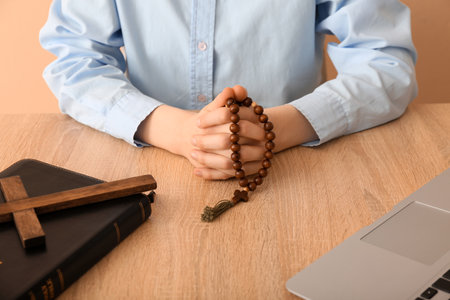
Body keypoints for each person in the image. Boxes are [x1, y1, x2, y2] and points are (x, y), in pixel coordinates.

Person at [40, 0, 417, 180]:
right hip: (140, 167)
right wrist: (177, 132)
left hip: (301, 165)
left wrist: (276, 128)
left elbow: (385, 58)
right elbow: (74, 59)